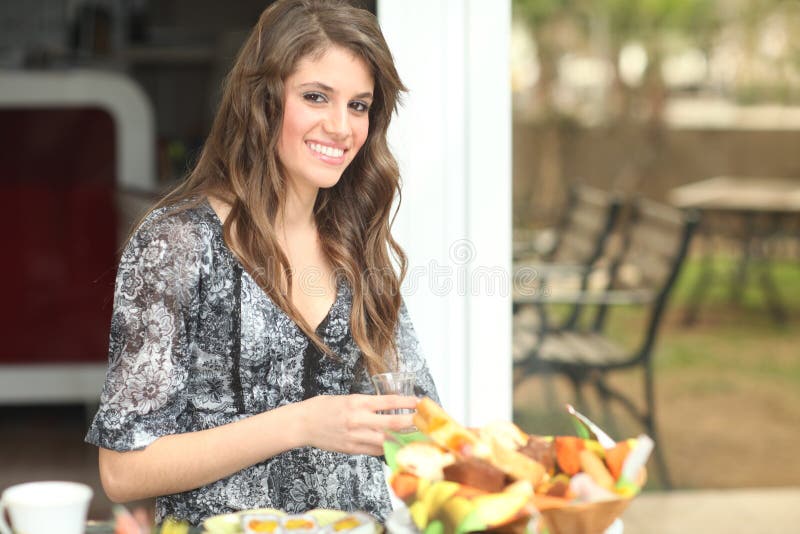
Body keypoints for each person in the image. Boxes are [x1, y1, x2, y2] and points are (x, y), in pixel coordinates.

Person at [85, 0, 438, 526]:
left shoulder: (356, 244)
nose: (341, 127)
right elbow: (122, 469)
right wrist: (300, 424)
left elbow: (418, 423)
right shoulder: (177, 244)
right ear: (264, 101)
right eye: (316, 97)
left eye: (359, 105)